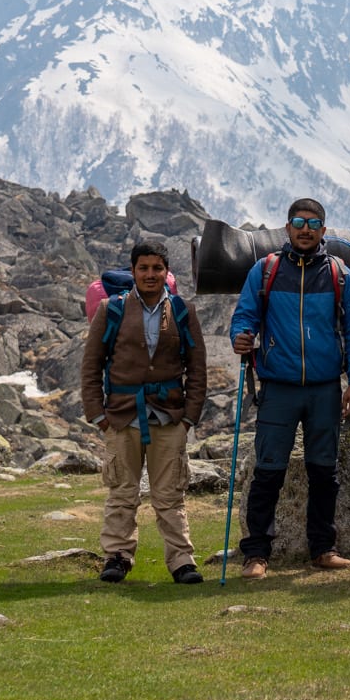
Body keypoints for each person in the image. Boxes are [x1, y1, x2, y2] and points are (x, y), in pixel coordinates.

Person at [228, 198, 350, 579]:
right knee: (268, 472)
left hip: (325, 388)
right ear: (287, 227)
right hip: (279, 387)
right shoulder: (267, 270)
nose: (305, 229)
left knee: (324, 472)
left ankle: (323, 549)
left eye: (313, 223)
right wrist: (240, 337)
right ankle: (256, 554)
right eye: (298, 221)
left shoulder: (340, 275)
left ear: (324, 230)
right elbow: (244, 316)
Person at [81, 240, 207, 585]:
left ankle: (182, 561)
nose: (150, 274)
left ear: (166, 273)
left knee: (170, 495)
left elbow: (197, 369)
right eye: (143, 268)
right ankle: (117, 556)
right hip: (122, 417)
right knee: (123, 491)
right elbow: (92, 364)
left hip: (169, 418)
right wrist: (99, 416)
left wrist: (188, 418)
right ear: (133, 271)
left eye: (157, 268)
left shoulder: (183, 312)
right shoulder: (112, 310)